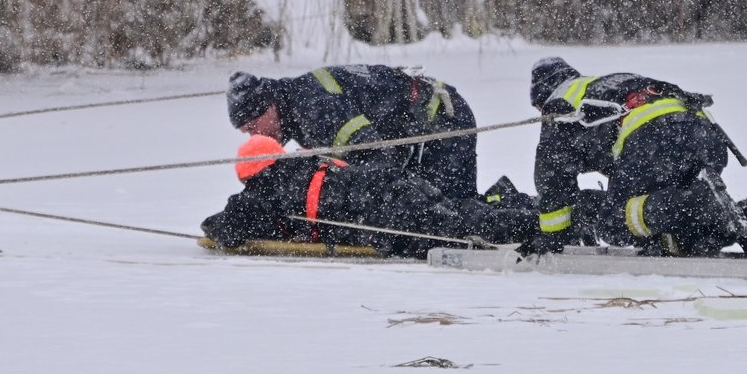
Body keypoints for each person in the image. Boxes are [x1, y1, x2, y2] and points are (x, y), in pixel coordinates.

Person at [527, 56, 747, 258]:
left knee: (613, 222)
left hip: (654, 139)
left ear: (541, 97)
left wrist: (553, 241)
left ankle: (703, 202)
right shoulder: (603, 86)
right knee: (662, 211)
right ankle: (740, 219)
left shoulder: (560, 104)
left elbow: (552, 180)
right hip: (702, 132)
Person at [201, 134, 534, 258]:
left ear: (252, 175)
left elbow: (224, 226)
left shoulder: (269, 187)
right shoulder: (300, 165)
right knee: (461, 214)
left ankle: (542, 226)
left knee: (458, 232)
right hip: (390, 185)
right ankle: (526, 207)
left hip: (382, 213)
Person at [227, 65, 480, 199]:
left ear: (269, 107)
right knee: (433, 205)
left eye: (252, 126)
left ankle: (500, 229)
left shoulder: (315, 110)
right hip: (421, 125)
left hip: (442, 118)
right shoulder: (297, 101)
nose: (254, 136)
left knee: (447, 206)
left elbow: (379, 159)